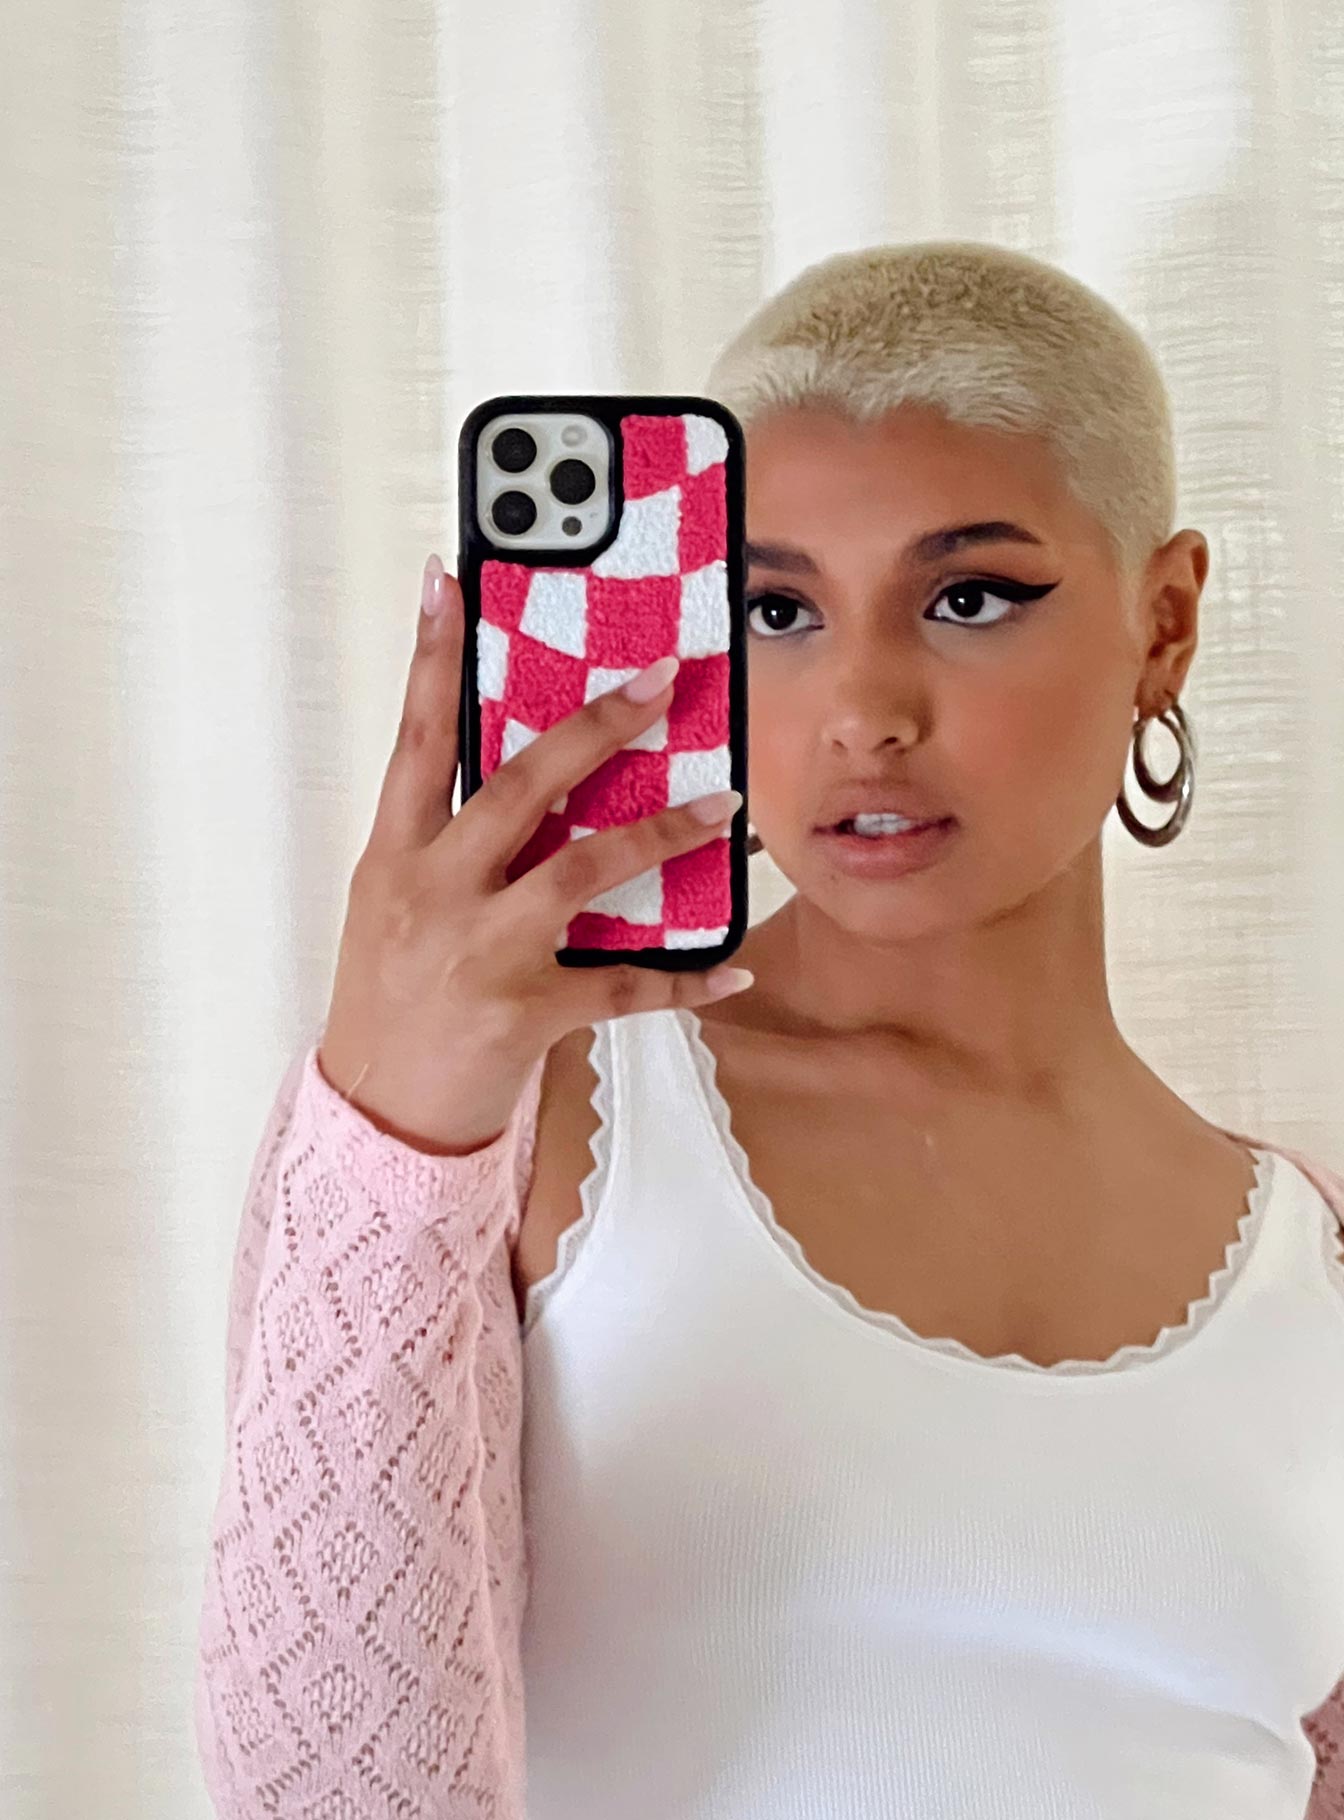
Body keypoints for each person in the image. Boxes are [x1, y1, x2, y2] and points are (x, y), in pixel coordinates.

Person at [194, 240, 1344, 1820]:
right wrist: (391, 1142)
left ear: (1164, 624)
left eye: (968, 598)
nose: (865, 710)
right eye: (778, 610)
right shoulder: (518, 1117)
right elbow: (324, 1797)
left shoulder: (1311, 1258)